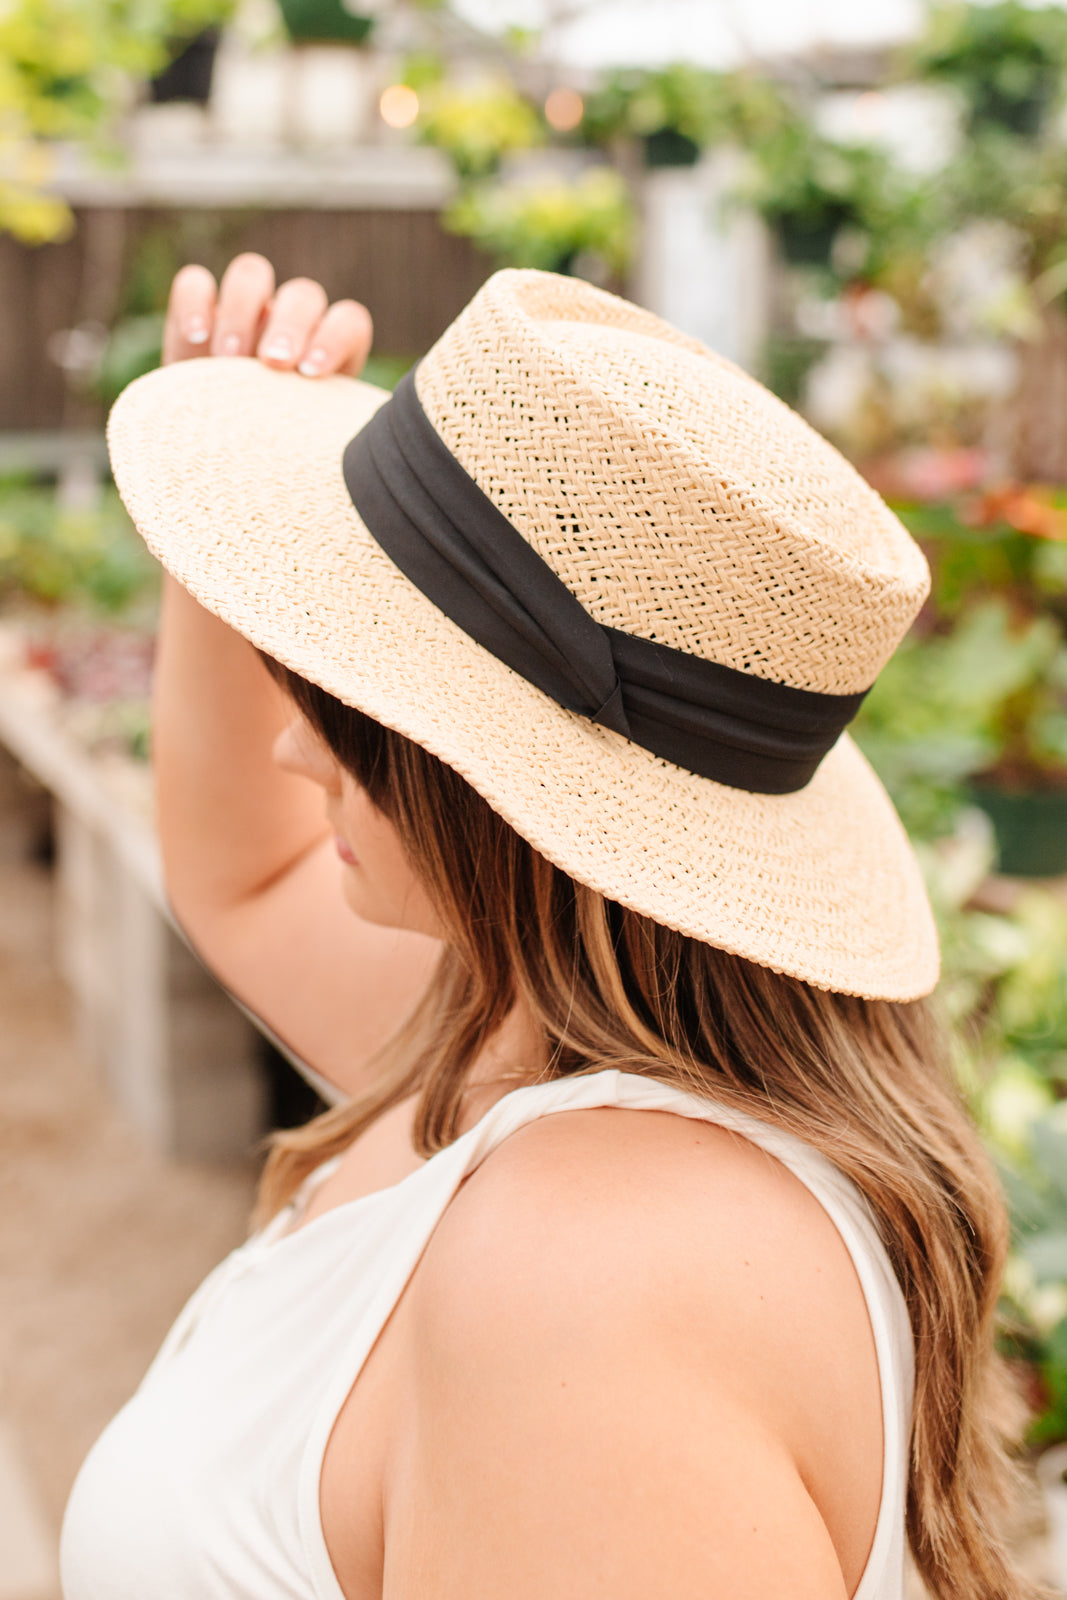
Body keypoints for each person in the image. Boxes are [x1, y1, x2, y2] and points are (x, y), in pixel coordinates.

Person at [59, 252, 1031, 1600]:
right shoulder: (534, 1038)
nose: (294, 741)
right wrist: (231, 550)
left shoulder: (590, 1286)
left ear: (504, 802)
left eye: (356, 707)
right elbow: (249, 884)